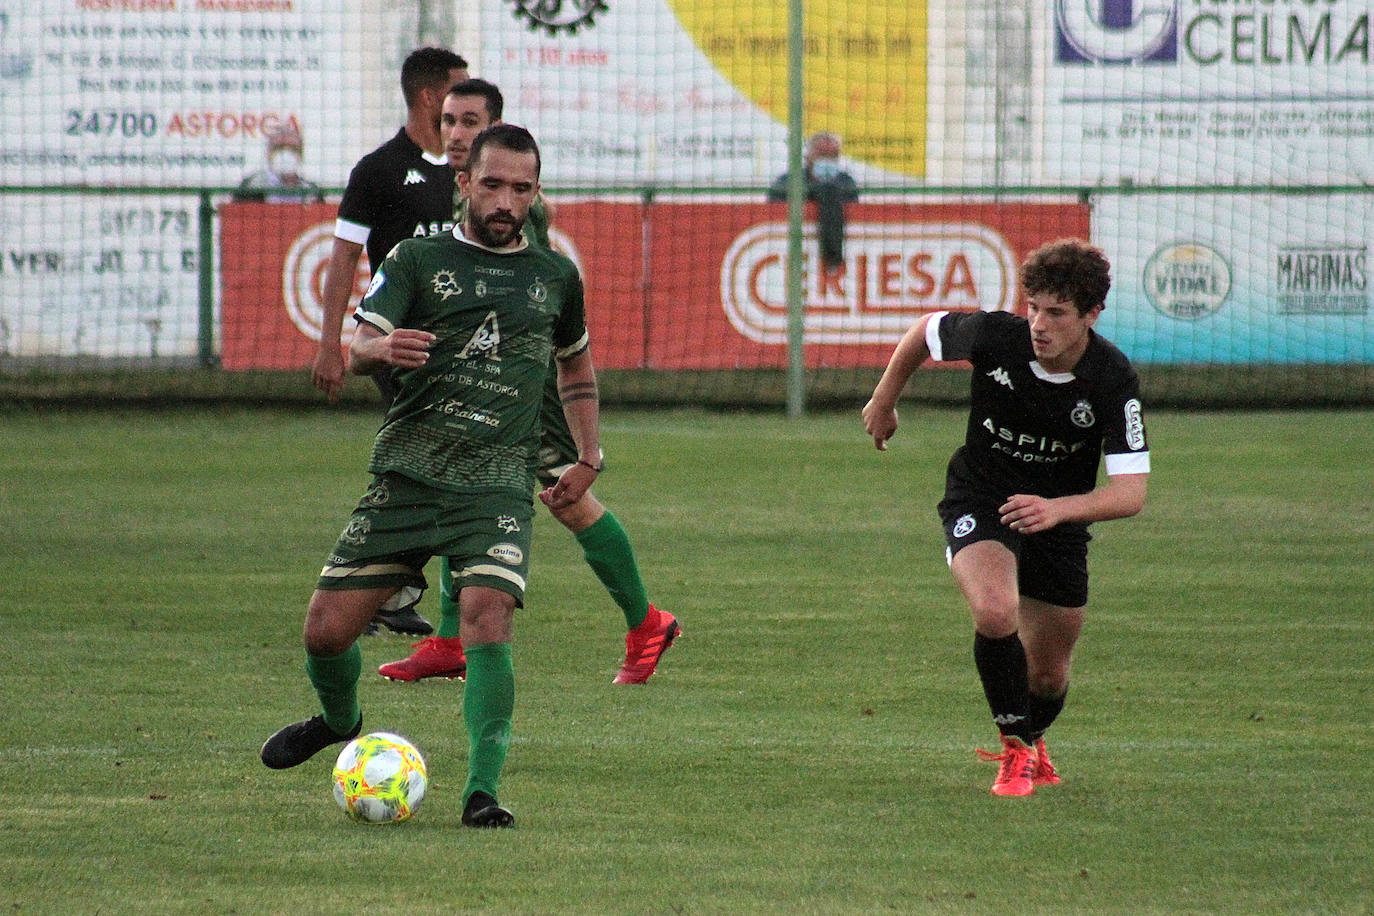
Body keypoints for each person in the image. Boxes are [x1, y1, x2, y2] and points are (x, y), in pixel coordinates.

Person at [262, 124, 597, 828]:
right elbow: (356, 351)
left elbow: (576, 368)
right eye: (495, 184)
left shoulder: (555, 277)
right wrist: (382, 346)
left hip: (497, 482)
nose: (507, 200)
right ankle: (339, 718)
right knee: (324, 633)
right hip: (410, 474)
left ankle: (483, 792)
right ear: (464, 184)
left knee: (487, 616)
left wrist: (588, 456)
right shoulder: (417, 258)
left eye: (523, 188)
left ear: (537, 193)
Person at [376, 77, 680, 686]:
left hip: (522, 391)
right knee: (453, 480)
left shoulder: (515, 213)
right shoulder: (458, 196)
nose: (457, 133)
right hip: (461, 384)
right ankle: (447, 640)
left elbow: (534, 309)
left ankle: (647, 620)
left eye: (470, 122)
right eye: (451, 122)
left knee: (567, 504)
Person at [861, 238, 1150, 797]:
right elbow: (925, 332)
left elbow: (1130, 492)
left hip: (1058, 518)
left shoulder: (1112, 378)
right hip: (981, 496)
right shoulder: (997, 336)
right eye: (1033, 307)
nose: (1039, 324)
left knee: (1048, 676)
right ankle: (1013, 752)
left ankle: (1033, 738)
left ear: (1092, 315)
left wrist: (1057, 510)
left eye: (1057, 313)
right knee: (996, 612)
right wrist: (885, 399)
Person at [311, 46, 469, 637]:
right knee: (450, 462)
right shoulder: (378, 171)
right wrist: (332, 345)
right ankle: (393, 585)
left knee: (430, 468)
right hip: (398, 347)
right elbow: (344, 257)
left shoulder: (468, 176)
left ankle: (384, 583)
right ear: (431, 97)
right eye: (457, 91)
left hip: (457, 349)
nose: (463, 106)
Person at [766, 131, 859, 273]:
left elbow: (855, 210)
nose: (827, 160)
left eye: (832, 156)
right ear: (808, 156)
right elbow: (772, 208)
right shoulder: (789, 181)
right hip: (789, 252)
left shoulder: (845, 182)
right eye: (822, 154)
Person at [232, 123, 323, 203]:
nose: (286, 153)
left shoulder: (311, 191)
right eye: (279, 148)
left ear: (301, 154)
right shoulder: (250, 188)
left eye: (293, 149)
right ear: (268, 153)